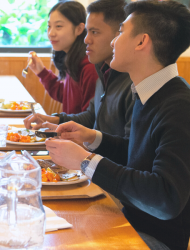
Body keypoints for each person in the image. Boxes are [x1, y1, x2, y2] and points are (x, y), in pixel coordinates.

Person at [46, 1, 190, 249]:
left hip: (152, 239)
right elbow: (140, 156)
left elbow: (166, 197)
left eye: (121, 32)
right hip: (128, 221)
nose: (114, 41)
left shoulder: (179, 104)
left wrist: (85, 161)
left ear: (141, 42)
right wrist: (93, 138)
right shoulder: (149, 91)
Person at [24, 0, 134, 139]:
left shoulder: (93, 68)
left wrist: (85, 147)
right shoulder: (101, 70)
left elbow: (127, 149)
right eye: (49, 26)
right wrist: (55, 120)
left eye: (94, 32)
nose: (86, 39)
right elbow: (91, 115)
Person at [27, 1, 97, 114]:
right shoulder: (72, 58)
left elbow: (88, 119)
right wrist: (41, 72)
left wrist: (55, 122)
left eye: (58, 26)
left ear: (79, 29)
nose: (51, 33)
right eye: (49, 26)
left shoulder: (89, 67)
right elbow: (66, 96)